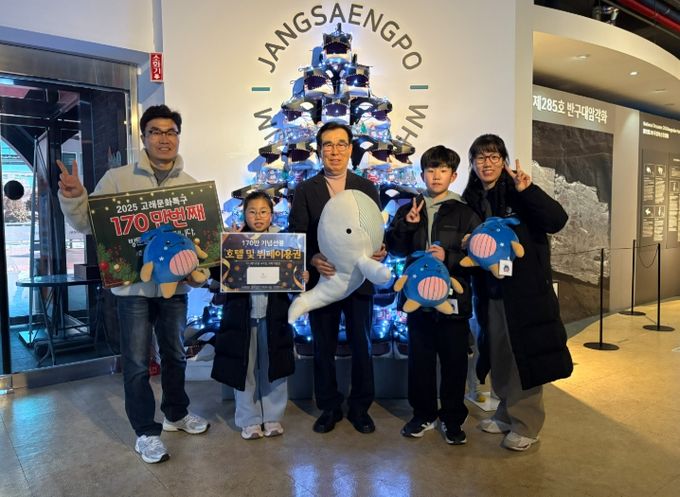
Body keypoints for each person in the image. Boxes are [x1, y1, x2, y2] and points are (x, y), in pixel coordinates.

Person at [57, 105, 209, 464]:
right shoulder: (117, 179)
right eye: (155, 131)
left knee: (175, 355)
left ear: (178, 136)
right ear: (144, 137)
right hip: (132, 291)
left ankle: (176, 414)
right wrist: (75, 196)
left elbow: (198, 241)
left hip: (175, 290)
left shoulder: (190, 188)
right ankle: (146, 432)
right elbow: (90, 223)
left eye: (170, 131)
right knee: (138, 362)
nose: (164, 138)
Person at [462, 134, 573, 451]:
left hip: (525, 293)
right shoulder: (471, 199)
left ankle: (526, 424)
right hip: (490, 291)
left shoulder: (520, 193)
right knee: (498, 353)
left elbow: (557, 220)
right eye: (481, 157)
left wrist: (529, 191)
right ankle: (506, 413)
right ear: (473, 163)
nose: (487, 163)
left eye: (494, 156)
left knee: (523, 355)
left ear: (504, 161)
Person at [288, 121, 386, 434]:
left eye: (341, 144)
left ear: (351, 149)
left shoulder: (366, 187)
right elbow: (297, 234)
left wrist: (379, 251)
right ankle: (329, 406)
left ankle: (360, 407)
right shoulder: (306, 190)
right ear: (319, 151)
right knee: (323, 346)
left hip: (360, 280)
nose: (335, 151)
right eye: (328, 144)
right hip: (325, 280)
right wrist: (312, 258)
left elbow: (374, 229)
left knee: (362, 345)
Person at [385, 145, 480, 445]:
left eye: (443, 170)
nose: (436, 175)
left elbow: (477, 256)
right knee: (420, 361)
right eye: (430, 169)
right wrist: (406, 226)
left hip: (453, 301)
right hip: (418, 300)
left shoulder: (465, 212)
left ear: (453, 175)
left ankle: (452, 418)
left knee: (454, 362)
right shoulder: (409, 209)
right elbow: (394, 249)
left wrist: (448, 257)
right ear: (422, 174)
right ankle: (423, 414)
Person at [210, 191, 308, 440]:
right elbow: (217, 275)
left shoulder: (284, 241)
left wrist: (301, 276)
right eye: (252, 212)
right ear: (244, 214)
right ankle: (249, 420)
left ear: (271, 214)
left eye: (263, 211)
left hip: (274, 316)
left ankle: (273, 417)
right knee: (244, 369)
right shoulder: (234, 240)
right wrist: (225, 248)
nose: (258, 217)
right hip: (241, 316)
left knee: (274, 366)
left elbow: (293, 279)